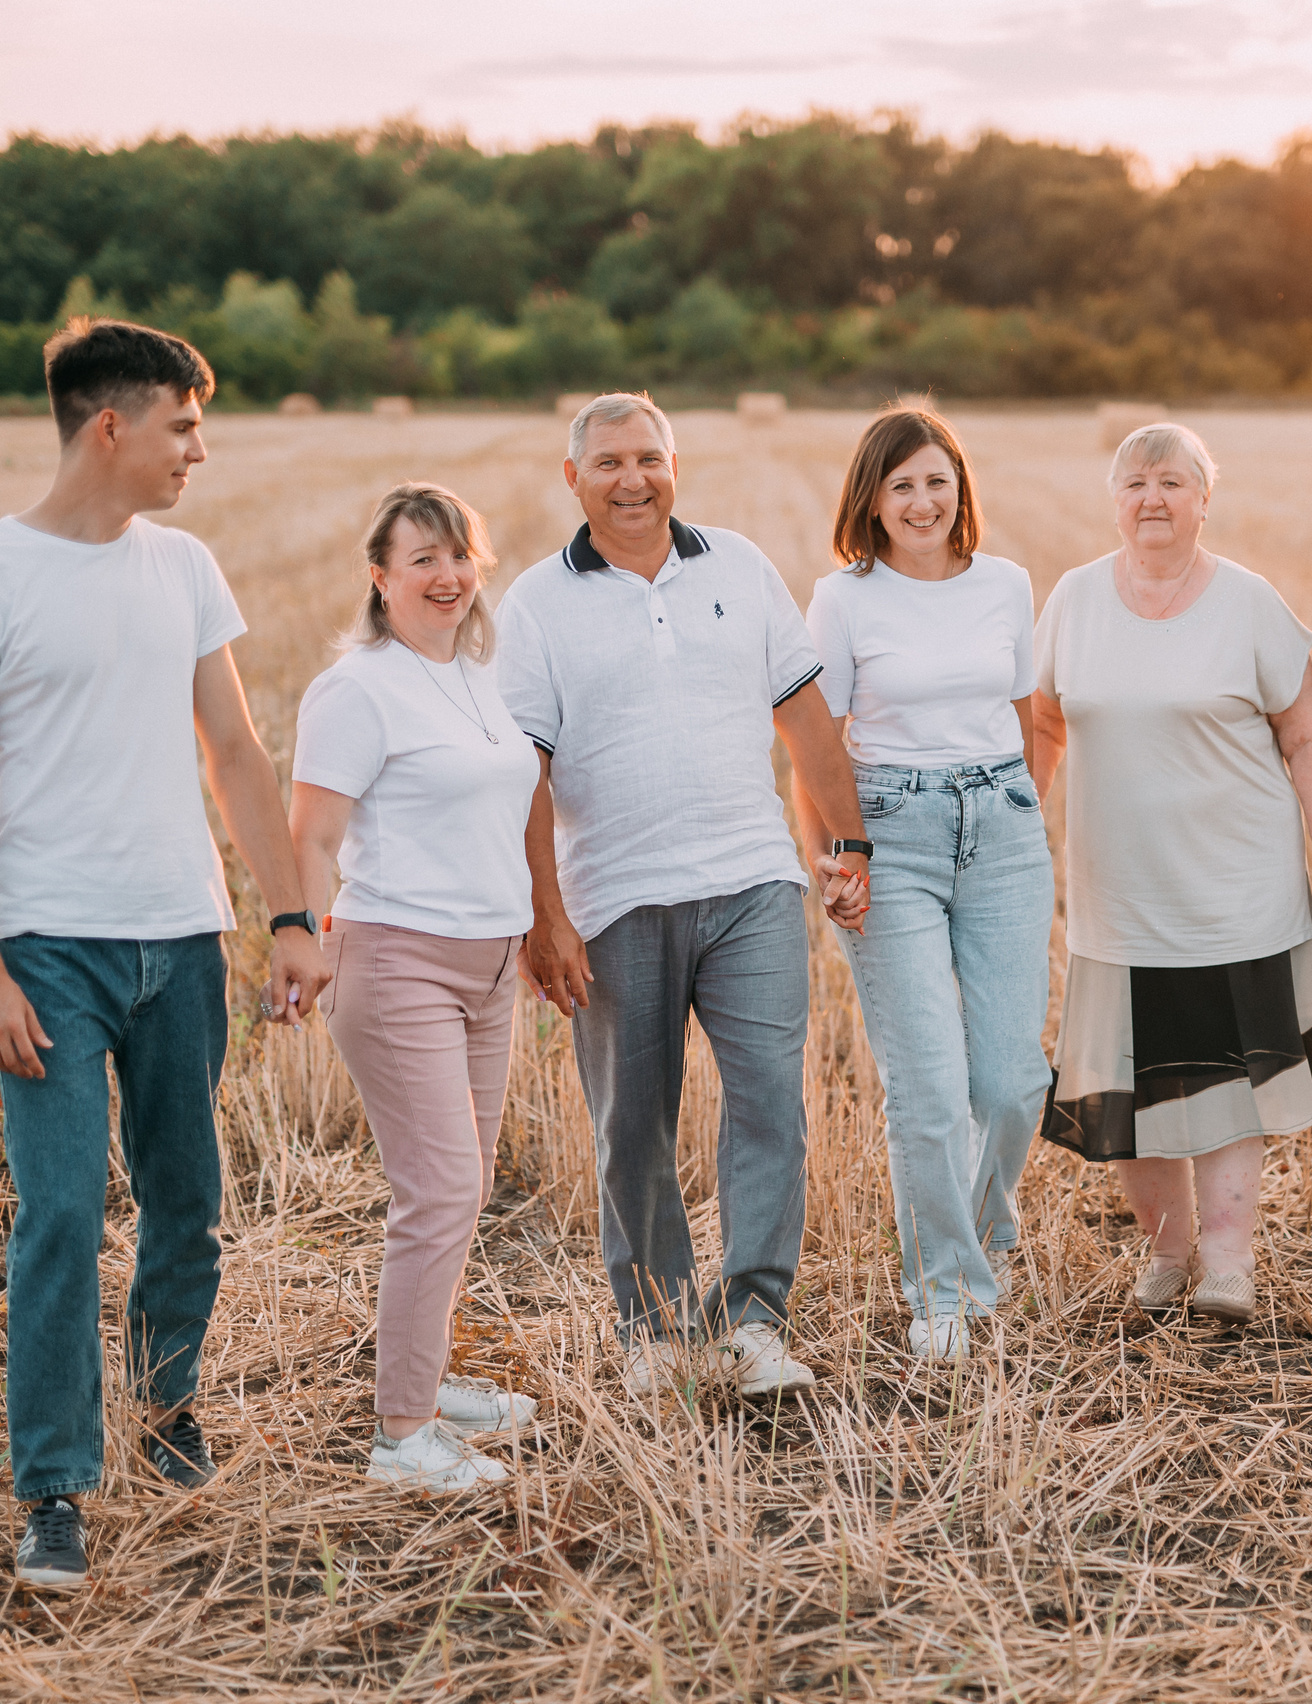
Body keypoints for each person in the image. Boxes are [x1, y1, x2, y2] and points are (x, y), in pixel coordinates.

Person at [0, 319, 327, 1589]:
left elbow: (239, 755)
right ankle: (53, 1487)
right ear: (112, 425)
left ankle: (166, 1408)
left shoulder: (186, 565)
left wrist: (293, 914)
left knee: (187, 1201)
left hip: (181, 941)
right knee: (61, 1216)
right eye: (183, 424)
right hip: (46, 952)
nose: (198, 447)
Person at [500, 393, 870, 1398]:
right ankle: (655, 1331)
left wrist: (845, 846)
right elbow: (522, 773)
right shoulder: (535, 601)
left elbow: (804, 720)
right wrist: (545, 917)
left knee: (770, 1107)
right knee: (632, 1124)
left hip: (752, 880)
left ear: (676, 465)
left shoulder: (740, 567)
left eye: (650, 459)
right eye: (609, 462)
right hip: (616, 898)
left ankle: (753, 1323)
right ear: (571, 477)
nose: (633, 480)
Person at [1031, 422, 1312, 1326]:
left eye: (1174, 482)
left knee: (1226, 1081)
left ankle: (1227, 1260)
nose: (1154, 498)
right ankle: (1166, 1252)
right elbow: (1045, 727)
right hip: (1121, 894)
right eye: (1137, 482)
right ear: (1114, 501)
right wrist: (1019, 835)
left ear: (1204, 500)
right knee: (1137, 1083)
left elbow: (1305, 734)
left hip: (1237, 888)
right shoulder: (1073, 600)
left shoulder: (1248, 603)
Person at [289, 483, 545, 1489]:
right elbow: (310, 831)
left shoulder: (481, 675)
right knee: (437, 1191)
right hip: (398, 960)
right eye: (421, 560)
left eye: (458, 557)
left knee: (462, 1190)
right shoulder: (357, 687)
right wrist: (299, 942)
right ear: (380, 577)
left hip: (490, 965)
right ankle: (402, 1435)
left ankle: (428, 1381)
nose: (445, 578)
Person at [797, 408, 1050, 1363]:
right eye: (901, 484)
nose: (922, 501)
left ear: (961, 489)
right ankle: (944, 1287)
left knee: (1014, 1080)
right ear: (872, 498)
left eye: (937, 480)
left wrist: (1021, 812)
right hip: (887, 836)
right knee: (931, 1088)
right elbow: (814, 746)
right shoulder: (844, 598)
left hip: (1004, 828)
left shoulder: (1007, 585)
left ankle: (980, 1231)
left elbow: (1027, 720)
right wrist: (829, 855)